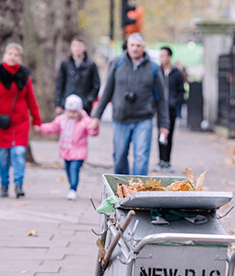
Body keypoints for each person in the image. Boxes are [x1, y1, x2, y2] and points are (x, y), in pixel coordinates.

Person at [91, 33, 169, 175]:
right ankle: (122, 191)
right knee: (119, 156)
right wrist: (97, 116)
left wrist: (164, 125)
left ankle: (138, 193)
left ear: (143, 48)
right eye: (132, 45)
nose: (135, 49)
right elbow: (107, 91)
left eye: (138, 46)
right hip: (121, 118)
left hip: (143, 119)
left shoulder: (154, 68)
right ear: (127, 46)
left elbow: (162, 99)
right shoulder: (117, 64)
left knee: (141, 158)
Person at [0, 42, 42, 198]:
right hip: (2, 121)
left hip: (20, 121)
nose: (13, 57)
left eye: (16, 54)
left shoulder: (24, 75)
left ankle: (18, 184)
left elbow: (31, 100)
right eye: (10, 54)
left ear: (20, 58)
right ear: (5, 55)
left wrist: (37, 121)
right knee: (3, 156)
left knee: (19, 153)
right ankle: (4, 184)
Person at [34, 95, 98, 200]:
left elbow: (91, 131)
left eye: (74, 112)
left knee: (74, 169)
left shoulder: (84, 121)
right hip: (66, 151)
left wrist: (95, 128)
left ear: (79, 110)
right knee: (68, 170)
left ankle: (73, 189)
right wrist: (41, 128)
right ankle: (71, 186)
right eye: (69, 111)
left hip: (78, 152)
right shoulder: (62, 119)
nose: (71, 114)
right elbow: (52, 127)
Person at [54, 36, 101, 116]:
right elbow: (59, 84)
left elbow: (96, 86)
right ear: (71, 47)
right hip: (67, 105)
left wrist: (87, 101)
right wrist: (58, 103)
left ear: (85, 47)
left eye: (80, 46)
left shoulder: (91, 65)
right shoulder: (65, 63)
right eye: (75, 46)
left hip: (84, 108)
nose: (77, 48)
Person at [156, 46, 186, 171]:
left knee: (170, 134)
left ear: (169, 57)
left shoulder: (176, 73)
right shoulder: (157, 72)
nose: (161, 58)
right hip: (160, 109)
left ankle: (167, 160)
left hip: (172, 109)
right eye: (160, 55)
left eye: (164, 55)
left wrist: (174, 102)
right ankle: (161, 160)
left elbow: (181, 91)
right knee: (160, 134)